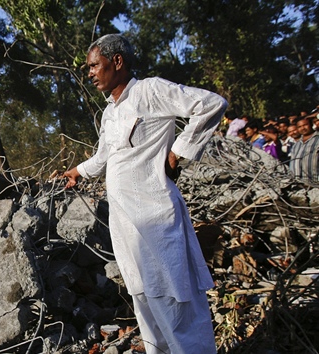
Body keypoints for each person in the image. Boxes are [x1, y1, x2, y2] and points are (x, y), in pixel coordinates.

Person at [62, 34, 227, 354]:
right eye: (89, 68)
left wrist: (177, 153)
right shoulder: (110, 112)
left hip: (156, 217)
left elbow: (210, 104)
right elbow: (104, 157)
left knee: (174, 297)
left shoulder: (150, 90)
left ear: (117, 61)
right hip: (125, 223)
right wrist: (78, 171)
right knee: (144, 298)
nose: (91, 73)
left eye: (95, 65)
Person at [289, 117, 319, 183]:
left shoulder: (317, 140)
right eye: (299, 127)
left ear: (311, 124)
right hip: (298, 184)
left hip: (315, 183)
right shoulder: (296, 145)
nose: (303, 128)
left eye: (305, 125)